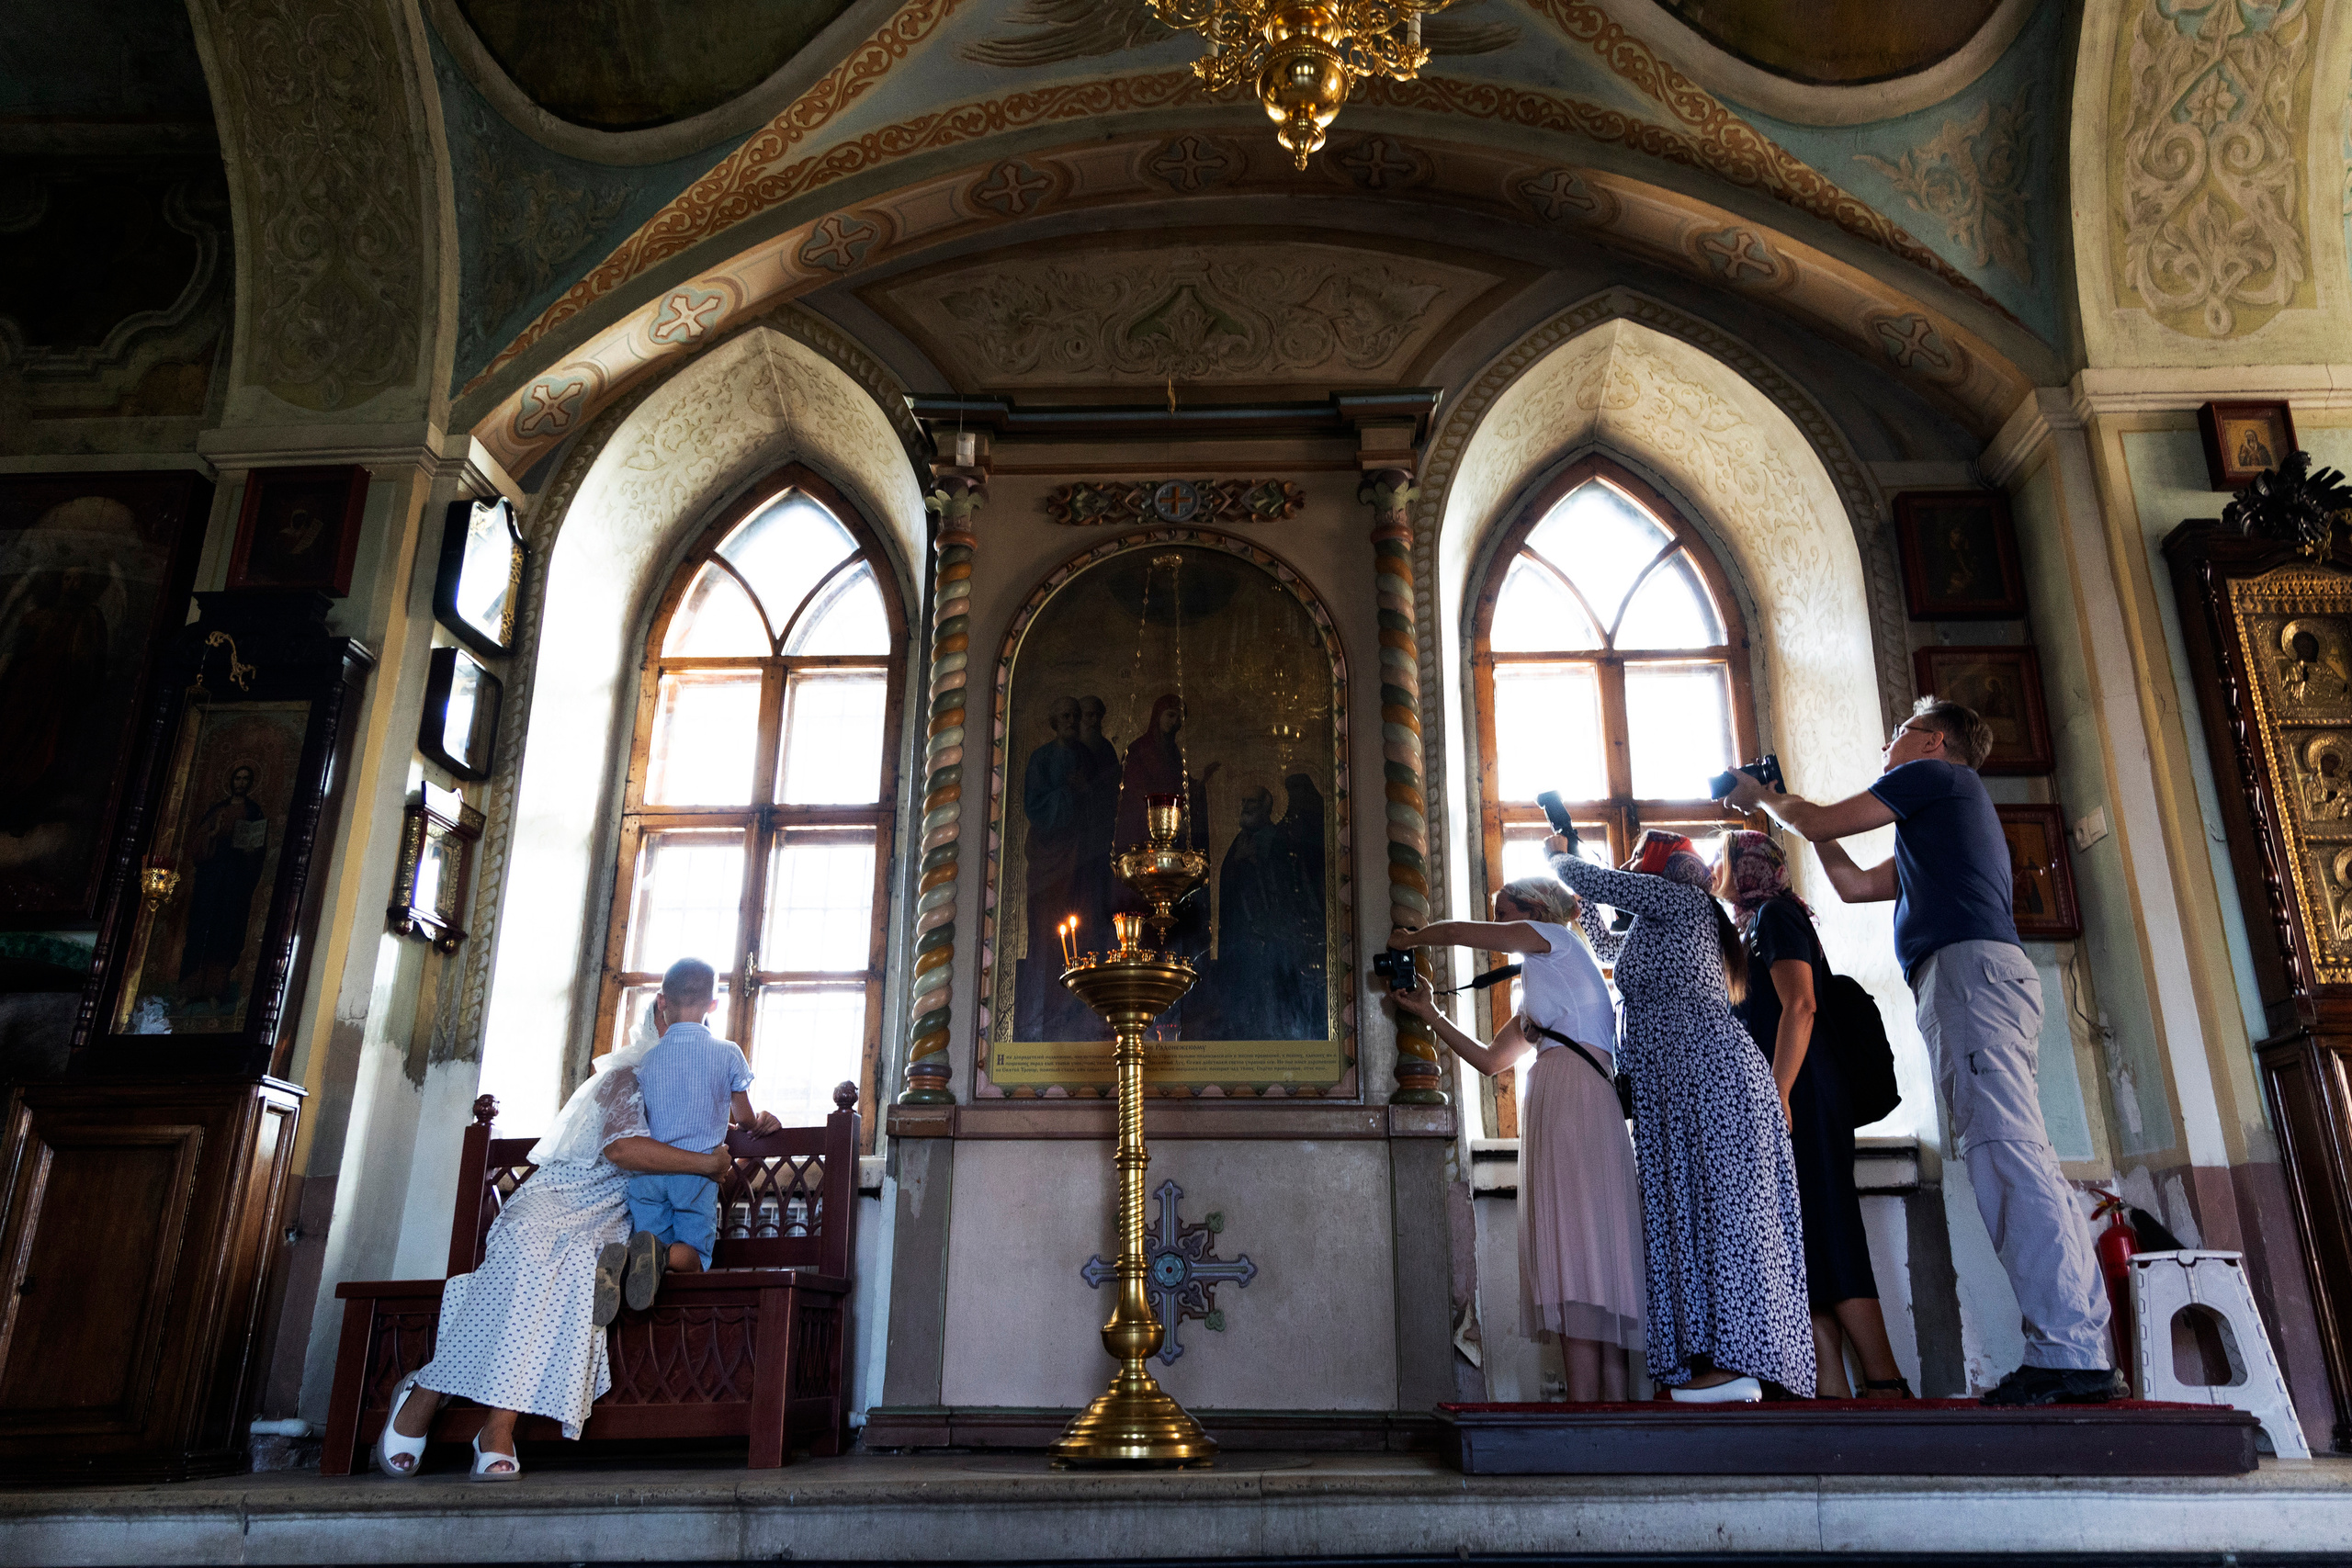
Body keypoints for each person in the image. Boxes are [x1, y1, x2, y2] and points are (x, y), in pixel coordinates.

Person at [1725, 697, 2123, 1405]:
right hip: (1967, 981)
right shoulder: (1931, 831)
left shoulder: (1939, 779)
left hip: (1970, 978)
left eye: (1898, 733)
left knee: (2006, 1153)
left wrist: (1767, 798)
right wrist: (1792, 805)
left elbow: (1818, 819)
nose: (1887, 744)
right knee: (2010, 1153)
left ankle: (2071, 1350)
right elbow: (1849, 884)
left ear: (1933, 740)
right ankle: (2074, 1343)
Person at [370, 1008, 738, 1479]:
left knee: (587, 1267)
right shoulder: (628, 1075)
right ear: (658, 1028)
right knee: (528, 1251)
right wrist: (706, 1165)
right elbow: (622, 1149)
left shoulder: (699, 1089)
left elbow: (736, 1116)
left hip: (617, 1211)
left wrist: (754, 1122)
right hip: (562, 1193)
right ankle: (430, 1393)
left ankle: (488, 1422)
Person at [1543, 828, 1814, 1400]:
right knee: (1694, 1219)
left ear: (1661, 868)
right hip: (1678, 1092)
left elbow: (1586, 876)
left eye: (1638, 859)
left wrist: (1559, 855)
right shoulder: (1658, 923)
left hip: (1709, 1082)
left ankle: (1741, 1363)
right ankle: (1714, 1364)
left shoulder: (1685, 902)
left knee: (1727, 1220)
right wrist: (1585, 911)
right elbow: (1612, 952)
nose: (1630, 866)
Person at [1389, 879, 1644, 1401]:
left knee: (1577, 1249)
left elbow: (1468, 935)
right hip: (1564, 1101)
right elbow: (1489, 1059)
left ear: (1532, 910)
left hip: (1574, 1101)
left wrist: (1411, 940)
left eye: (1504, 913)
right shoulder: (1545, 986)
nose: (1500, 923)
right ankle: (1607, 1413)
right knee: (1583, 1250)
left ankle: (1592, 1416)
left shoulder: (1555, 938)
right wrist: (1430, 1015)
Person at [1715, 829, 1910, 1399]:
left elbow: (1800, 1005)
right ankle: (1831, 1394)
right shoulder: (1753, 927)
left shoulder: (1776, 916)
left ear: (1747, 865)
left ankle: (1886, 1384)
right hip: (1792, 1095)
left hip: (1804, 1096)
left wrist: (1776, 1096)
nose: (1710, 868)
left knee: (1828, 1229)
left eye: (1719, 858)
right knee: (1804, 1246)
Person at [603, 957, 781, 1314]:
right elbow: (743, 1117)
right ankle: (663, 1256)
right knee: (694, 1255)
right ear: (713, 1005)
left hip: (648, 1177)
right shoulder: (727, 1052)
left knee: (648, 1241)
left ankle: (626, 1262)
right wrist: (755, 1122)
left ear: (663, 1001)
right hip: (695, 1177)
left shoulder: (646, 1061)